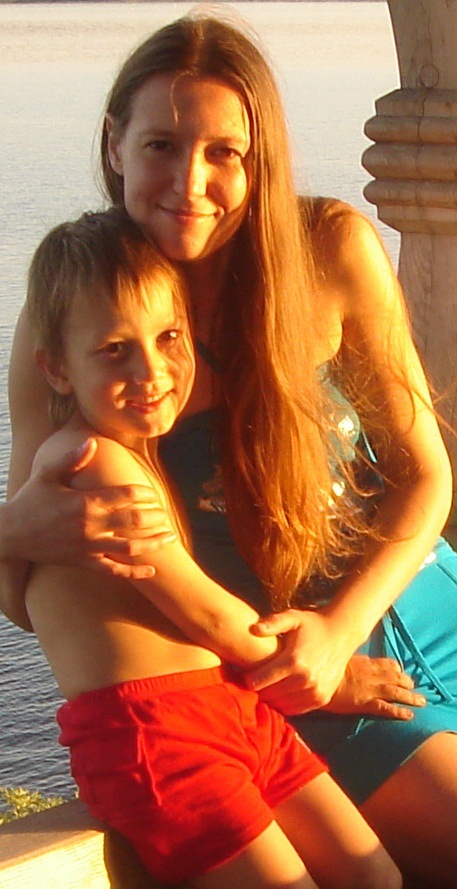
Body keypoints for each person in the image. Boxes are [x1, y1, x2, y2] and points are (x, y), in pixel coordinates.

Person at [1, 12, 457, 886]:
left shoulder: (330, 249)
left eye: (223, 152)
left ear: (261, 159)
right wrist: (17, 529)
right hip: (291, 678)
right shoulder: (76, 319)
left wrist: (339, 629)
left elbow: (425, 474)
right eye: (161, 146)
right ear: (115, 144)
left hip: (405, 608)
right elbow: (35, 587)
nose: (191, 181)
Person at [23, 206, 398, 889]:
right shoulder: (89, 464)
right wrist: (332, 678)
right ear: (56, 369)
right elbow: (205, 613)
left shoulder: (140, 453)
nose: (151, 370)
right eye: (113, 350)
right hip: (152, 732)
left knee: (374, 874)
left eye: (168, 337)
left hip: (227, 703)